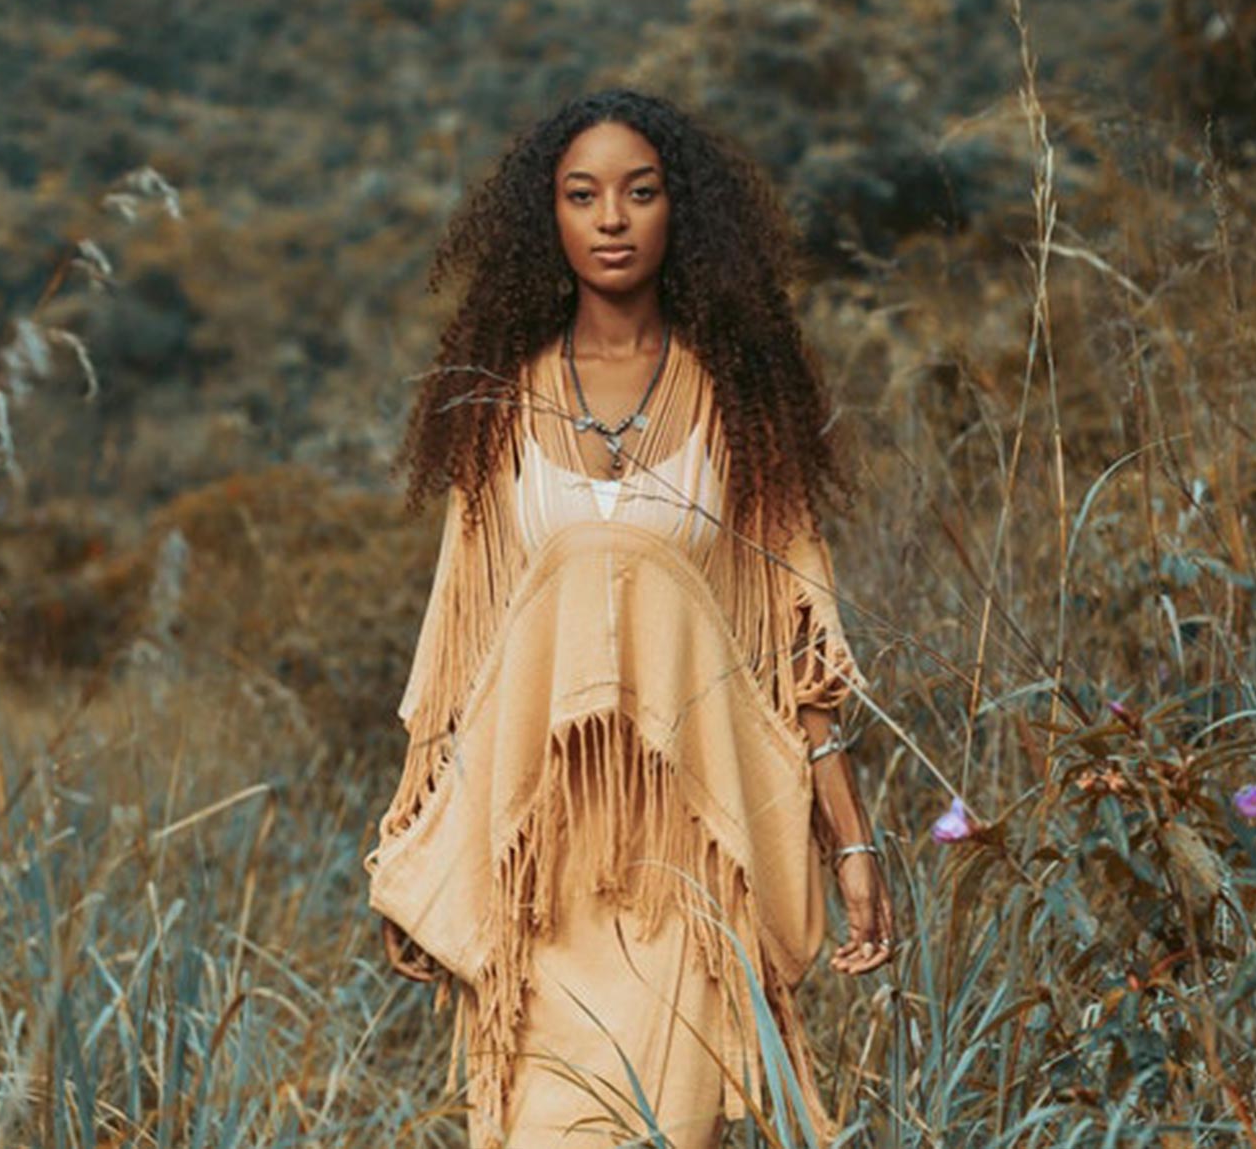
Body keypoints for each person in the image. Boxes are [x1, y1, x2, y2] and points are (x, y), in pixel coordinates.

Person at [362, 87, 894, 1148]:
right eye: (582, 195)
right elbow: (459, 644)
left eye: (639, 193)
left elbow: (800, 646)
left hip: (691, 862)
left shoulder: (738, 404)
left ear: (678, 211)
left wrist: (850, 844)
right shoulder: (499, 406)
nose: (611, 218)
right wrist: (419, 843)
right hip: (539, 866)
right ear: (546, 217)